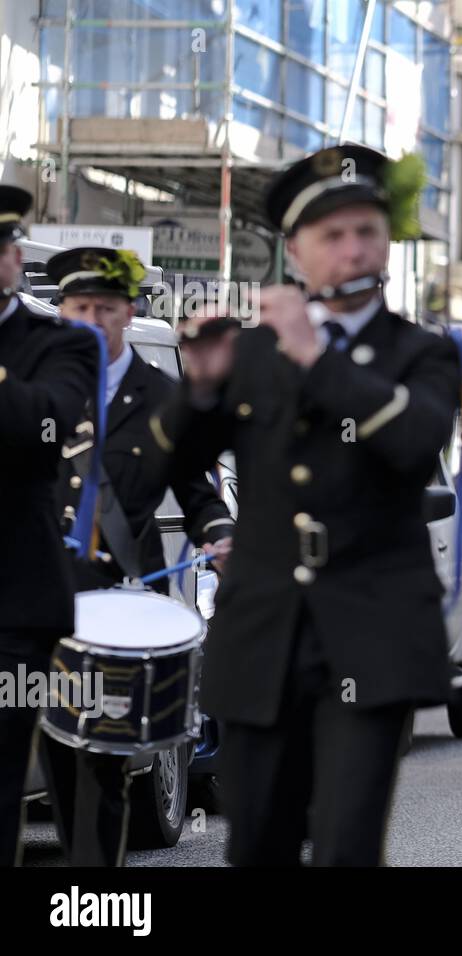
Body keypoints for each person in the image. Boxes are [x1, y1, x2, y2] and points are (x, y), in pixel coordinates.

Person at [149, 144, 461, 865]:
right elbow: (159, 473)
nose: (353, 250)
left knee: (348, 847)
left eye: (367, 231)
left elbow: (415, 445)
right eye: (332, 237)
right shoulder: (254, 352)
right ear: (294, 252)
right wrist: (195, 388)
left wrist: (315, 356)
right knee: (258, 846)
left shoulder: (422, 351)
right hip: (264, 635)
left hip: (372, 635)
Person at [31, 246, 235, 866]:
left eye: (107, 307)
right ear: (62, 314)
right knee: (58, 763)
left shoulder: (162, 398)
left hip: (120, 600)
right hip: (36, 598)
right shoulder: (32, 384)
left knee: (105, 761)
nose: (93, 319)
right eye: (80, 307)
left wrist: (218, 533)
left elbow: (199, 493)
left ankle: (99, 889)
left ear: (129, 313)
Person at [0, 185, 100, 866]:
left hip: (12, 604)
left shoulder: (61, 344)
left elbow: (40, 429)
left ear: (14, 259)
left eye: (0, 250)